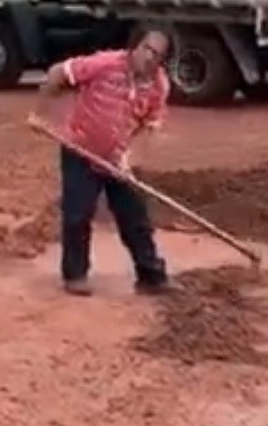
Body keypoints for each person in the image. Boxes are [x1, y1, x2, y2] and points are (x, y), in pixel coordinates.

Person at [29, 29, 172, 296]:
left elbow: (150, 128)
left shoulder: (159, 86)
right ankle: (75, 275)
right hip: (80, 151)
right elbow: (57, 73)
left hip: (117, 158)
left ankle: (151, 275)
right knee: (77, 213)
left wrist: (129, 158)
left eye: (158, 55)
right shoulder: (104, 64)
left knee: (135, 217)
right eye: (147, 49)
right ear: (134, 47)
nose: (150, 58)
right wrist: (39, 114)